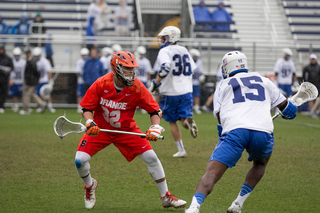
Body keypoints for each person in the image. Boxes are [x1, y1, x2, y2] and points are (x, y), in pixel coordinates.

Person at [184, 51, 297, 213]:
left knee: (212, 173)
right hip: (263, 131)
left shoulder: (223, 85)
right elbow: (288, 110)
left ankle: (194, 207)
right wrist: (290, 110)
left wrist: (224, 134)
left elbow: (220, 119)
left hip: (236, 131)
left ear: (228, 67)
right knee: (260, 164)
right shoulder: (265, 81)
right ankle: (238, 203)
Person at [75, 51, 187, 210]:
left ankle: (166, 197)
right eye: (126, 69)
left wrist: (154, 127)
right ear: (116, 68)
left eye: (132, 69)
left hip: (126, 129)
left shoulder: (137, 87)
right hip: (101, 129)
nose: (131, 73)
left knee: (152, 158)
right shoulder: (101, 83)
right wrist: (89, 121)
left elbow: (154, 111)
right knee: (79, 160)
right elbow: (86, 107)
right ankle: (89, 186)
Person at [148, 26, 198, 158]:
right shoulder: (184, 50)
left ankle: (181, 150)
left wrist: (156, 82)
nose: (162, 41)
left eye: (164, 38)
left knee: (172, 121)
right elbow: (192, 69)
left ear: (171, 38)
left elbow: (165, 68)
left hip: (170, 91)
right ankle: (189, 122)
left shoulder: (165, 51)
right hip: (186, 90)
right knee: (184, 118)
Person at [19, 49, 46, 115]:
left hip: (30, 82)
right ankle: (42, 103)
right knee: (31, 95)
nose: (26, 55)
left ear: (30, 54)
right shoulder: (30, 61)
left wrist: (32, 81)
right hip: (30, 81)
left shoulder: (32, 62)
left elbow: (35, 72)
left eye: (27, 53)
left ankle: (26, 109)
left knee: (26, 95)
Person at [33, 47, 56, 113]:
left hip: (44, 80)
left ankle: (50, 106)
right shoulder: (34, 61)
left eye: (37, 56)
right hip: (37, 81)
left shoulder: (45, 61)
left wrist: (50, 80)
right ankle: (41, 106)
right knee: (38, 94)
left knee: (46, 94)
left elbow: (48, 71)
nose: (37, 57)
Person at [302, 53, 320, 119]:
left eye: (313, 59)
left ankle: (317, 111)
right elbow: (304, 77)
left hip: (318, 84)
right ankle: (312, 112)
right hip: (310, 85)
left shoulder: (318, 67)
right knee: (311, 99)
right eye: (312, 59)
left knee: (318, 99)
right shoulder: (307, 68)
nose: (313, 60)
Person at [8, 47, 26, 112]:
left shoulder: (23, 62)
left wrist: (25, 81)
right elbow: (11, 71)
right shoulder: (12, 62)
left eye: (18, 55)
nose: (16, 57)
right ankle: (16, 105)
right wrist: (10, 79)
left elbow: (25, 72)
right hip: (14, 81)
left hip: (21, 81)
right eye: (15, 55)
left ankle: (24, 105)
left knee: (23, 94)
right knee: (14, 94)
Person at [189, 49, 205, 114]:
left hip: (196, 81)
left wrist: (202, 76)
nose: (196, 58)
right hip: (188, 82)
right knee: (189, 95)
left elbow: (201, 71)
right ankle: (189, 107)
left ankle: (196, 108)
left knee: (196, 95)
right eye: (195, 56)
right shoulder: (188, 62)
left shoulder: (199, 62)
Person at [0, 45, 14, 113]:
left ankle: (2, 106)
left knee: (4, 93)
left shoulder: (7, 58)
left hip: (5, 79)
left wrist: (6, 70)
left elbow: (12, 68)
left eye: (2, 49)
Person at [76, 47, 89, 113]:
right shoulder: (79, 62)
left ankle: (85, 106)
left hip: (87, 81)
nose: (84, 56)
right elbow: (78, 72)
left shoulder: (89, 61)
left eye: (85, 55)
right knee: (79, 94)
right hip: (81, 81)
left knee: (86, 94)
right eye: (83, 55)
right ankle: (79, 107)